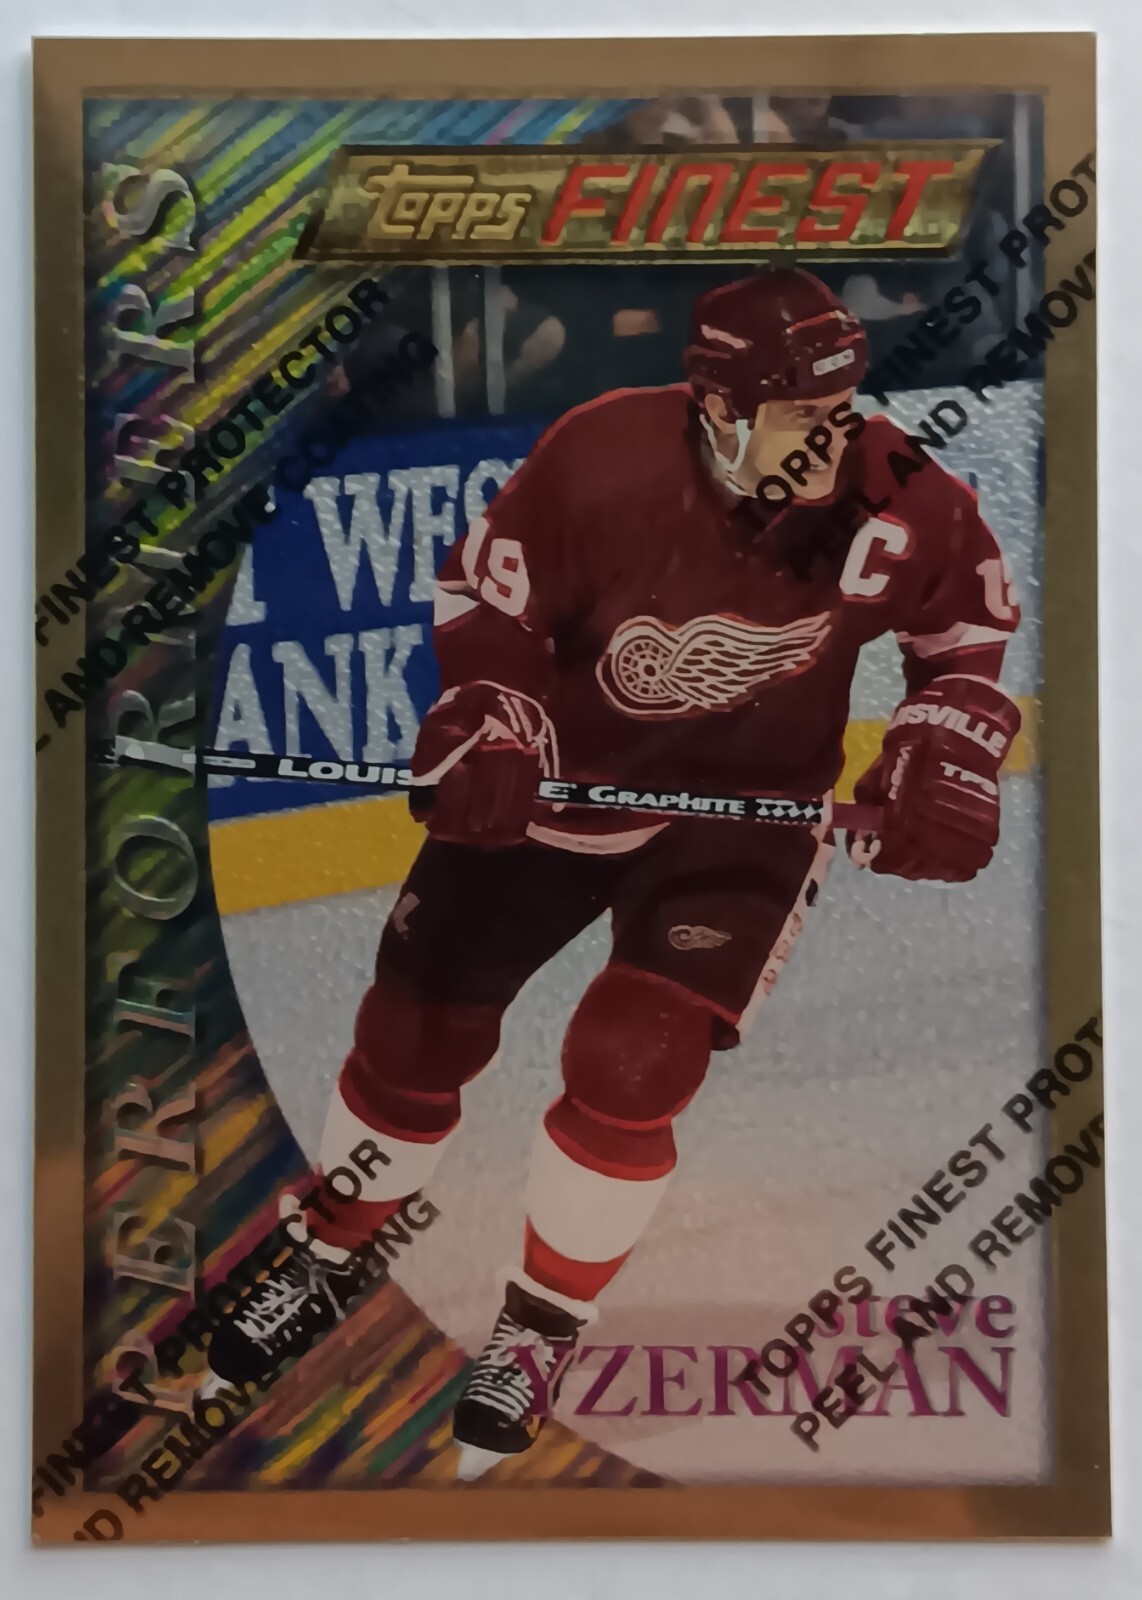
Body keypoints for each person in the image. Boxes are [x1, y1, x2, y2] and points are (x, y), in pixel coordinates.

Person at [207, 269, 1022, 1471]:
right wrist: (489, 722)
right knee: (413, 1033)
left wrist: (943, 745)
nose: (832, 438)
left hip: (744, 821)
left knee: (631, 1062)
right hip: (558, 795)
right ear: (716, 406)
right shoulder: (603, 457)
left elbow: (964, 633)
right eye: (800, 414)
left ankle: (540, 1323)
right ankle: (333, 1243)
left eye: (841, 408)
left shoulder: (893, 488)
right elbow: (490, 607)